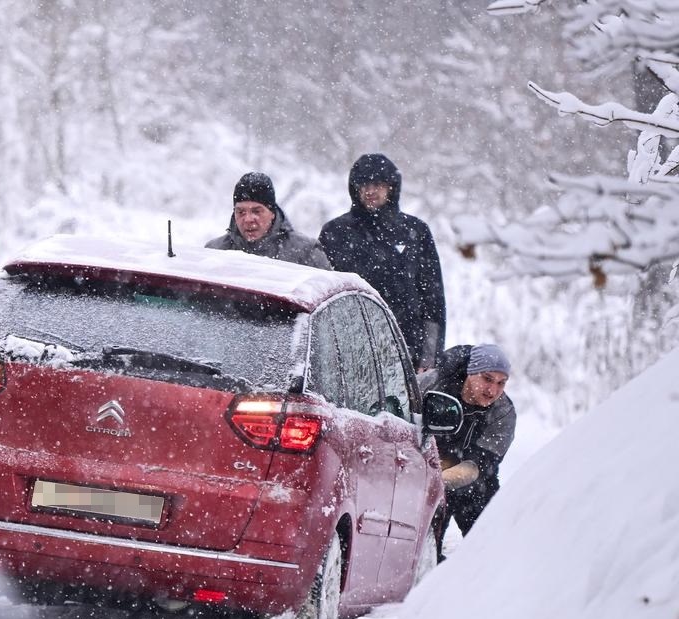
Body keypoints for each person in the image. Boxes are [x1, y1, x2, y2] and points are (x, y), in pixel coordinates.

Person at [320, 154, 446, 370]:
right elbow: (321, 294)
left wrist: (429, 359)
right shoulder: (335, 232)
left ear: (391, 188)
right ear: (355, 188)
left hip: (405, 350)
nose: (370, 191)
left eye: (377, 184)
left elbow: (432, 301)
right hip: (345, 349)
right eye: (364, 184)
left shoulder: (415, 232)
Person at [418, 343, 515, 559]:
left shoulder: (503, 414)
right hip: (423, 468)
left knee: (492, 549)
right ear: (471, 373)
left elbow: (477, 467)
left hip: (472, 483)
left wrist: (437, 483)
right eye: (487, 379)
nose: (493, 391)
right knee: (426, 552)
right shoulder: (434, 384)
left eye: (501, 383)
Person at [205, 171, 331, 269]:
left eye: (256, 211)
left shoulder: (305, 252)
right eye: (241, 212)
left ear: (272, 213)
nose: (248, 219)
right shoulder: (215, 252)